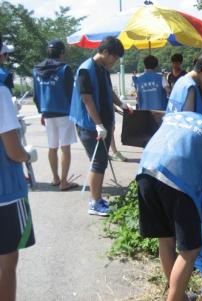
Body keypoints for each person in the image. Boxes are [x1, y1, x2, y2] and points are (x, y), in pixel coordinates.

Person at [136, 104, 202, 301]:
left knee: (166, 239)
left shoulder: (186, 117)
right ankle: (175, 298)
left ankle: (178, 295)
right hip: (176, 181)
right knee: (190, 249)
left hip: (145, 172)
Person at [69, 36, 132, 216]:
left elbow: (108, 90)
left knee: (102, 162)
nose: (116, 61)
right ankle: (94, 203)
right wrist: (98, 125)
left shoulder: (102, 68)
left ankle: (97, 198)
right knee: (98, 162)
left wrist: (122, 104)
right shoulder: (85, 70)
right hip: (90, 125)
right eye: (115, 57)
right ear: (104, 52)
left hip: (103, 123)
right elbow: (87, 99)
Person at [0, 51, 37, 301]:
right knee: (6, 263)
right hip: (5, 193)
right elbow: (13, 151)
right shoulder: (1, 93)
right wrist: (28, 156)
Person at [32, 40, 78, 191]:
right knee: (65, 147)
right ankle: (64, 182)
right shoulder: (64, 69)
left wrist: (42, 112)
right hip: (64, 112)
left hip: (47, 112)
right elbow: (72, 94)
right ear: (62, 53)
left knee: (52, 147)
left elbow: (35, 95)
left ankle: (55, 178)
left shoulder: (36, 70)